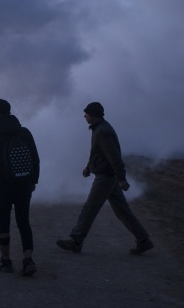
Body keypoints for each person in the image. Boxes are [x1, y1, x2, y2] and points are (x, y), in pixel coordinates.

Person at [56, 102, 154, 255]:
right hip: (108, 176)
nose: (84, 116)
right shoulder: (100, 129)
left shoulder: (102, 131)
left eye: (86, 114)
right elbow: (97, 152)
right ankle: (144, 241)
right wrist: (89, 167)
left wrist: (122, 178)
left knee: (89, 208)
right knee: (122, 211)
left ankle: (76, 241)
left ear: (93, 115)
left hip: (106, 178)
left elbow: (114, 157)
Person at [0, 99, 40, 276]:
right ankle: (28, 259)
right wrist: (33, 180)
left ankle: (6, 261)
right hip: (24, 183)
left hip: (3, 185)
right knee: (24, 221)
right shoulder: (24, 132)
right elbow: (35, 158)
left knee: (3, 221)